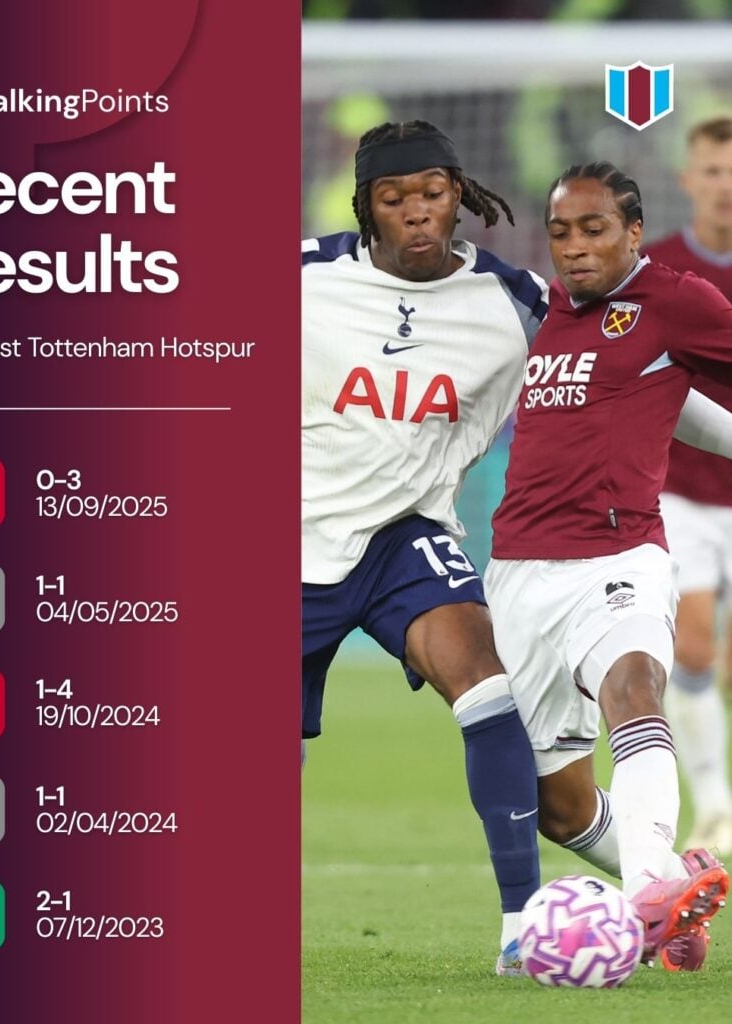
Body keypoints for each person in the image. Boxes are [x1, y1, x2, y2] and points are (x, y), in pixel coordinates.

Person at [302, 119, 550, 976]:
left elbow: (626, 370)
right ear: (366, 210)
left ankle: (525, 925)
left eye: (431, 195)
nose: (416, 213)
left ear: (459, 197)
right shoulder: (298, 276)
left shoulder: (514, 304)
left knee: (488, 689)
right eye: (393, 198)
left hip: (405, 535)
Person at [485, 161, 732, 973]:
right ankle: (669, 885)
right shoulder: (547, 308)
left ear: (631, 231)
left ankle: (645, 899)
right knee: (560, 809)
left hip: (619, 555)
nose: (574, 248)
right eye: (559, 233)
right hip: (519, 572)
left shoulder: (673, 301)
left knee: (634, 684)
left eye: (593, 230)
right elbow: (671, 403)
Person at [645, 116, 732, 856]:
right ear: (687, 180)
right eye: (711, 171)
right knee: (695, 650)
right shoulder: (658, 270)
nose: (725, 185)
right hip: (681, 489)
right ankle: (714, 807)